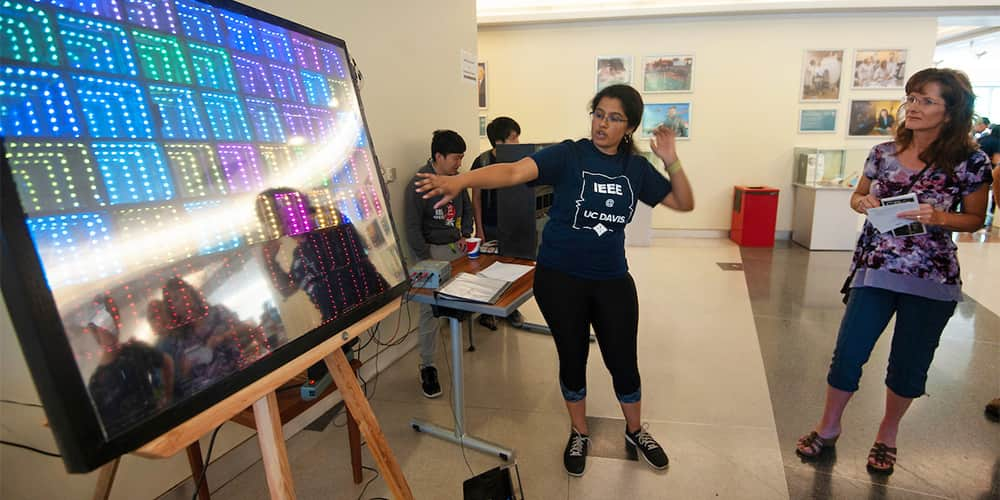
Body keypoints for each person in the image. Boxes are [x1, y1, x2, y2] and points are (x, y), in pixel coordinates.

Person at [414, 84, 695, 476]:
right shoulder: (569, 154)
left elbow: (684, 202)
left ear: (628, 127)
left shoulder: (635, 168)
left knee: (623, 361)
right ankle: (578, 431)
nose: (603, 124)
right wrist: (462, 181)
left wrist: (671, 161)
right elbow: (513, 171)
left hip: (612, 279)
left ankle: (634, 431)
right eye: (599, 113)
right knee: (572, 356)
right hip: (560, 278)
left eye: (614, 118)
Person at [795, 68, 993, 475]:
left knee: (909, 363)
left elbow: (975, 219)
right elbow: (858, 195)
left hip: (931, 276)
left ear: (951, 110)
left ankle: (887, 434)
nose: (914, 108)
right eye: (912, 99)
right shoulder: (883, 152)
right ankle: (828, 426)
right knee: (848, 354)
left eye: (926, 100)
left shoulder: (971, 162)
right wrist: (862, 204)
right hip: (876, 269)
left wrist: (938, 216)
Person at [404, 129, 473, 398]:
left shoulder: (456, 180)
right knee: (428, 312)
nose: (459, 164)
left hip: (457, 246)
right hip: (432, 253)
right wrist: (425, 258)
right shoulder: (419, 183)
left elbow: (465, 207)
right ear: (438, 156)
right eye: (456, 158)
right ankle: (428, 366)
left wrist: (466, 234)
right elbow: (412, 226)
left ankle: (458, 345)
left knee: (461, 298)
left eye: (461, 158)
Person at [471, 116, 525, 331]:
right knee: (488, 270)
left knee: (512, 268)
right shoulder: (482, 162)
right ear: (499, 142)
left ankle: (510, 309)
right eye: (514, 138)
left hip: (513, 225)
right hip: (490, 225)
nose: (518, 142)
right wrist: (479, 228)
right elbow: (476, 198)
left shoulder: (520, 162)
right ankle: (487, 312)